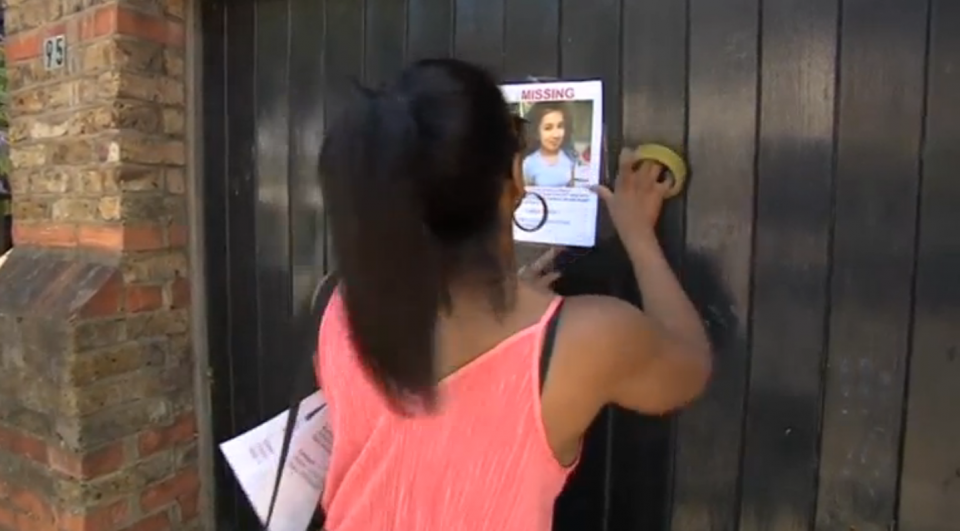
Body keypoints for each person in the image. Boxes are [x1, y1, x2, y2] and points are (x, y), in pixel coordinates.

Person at [316, 58, 711, 531]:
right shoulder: (587, 341)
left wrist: (518, 302)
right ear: (515, 181)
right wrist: (638, 237)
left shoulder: (337, 303)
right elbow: (689, 366)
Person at [521, 102, 578, 187]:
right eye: (548, 128)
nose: (556, 135)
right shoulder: (528, 164)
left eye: (560, 126)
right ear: (536, 132)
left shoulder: (570, 159)